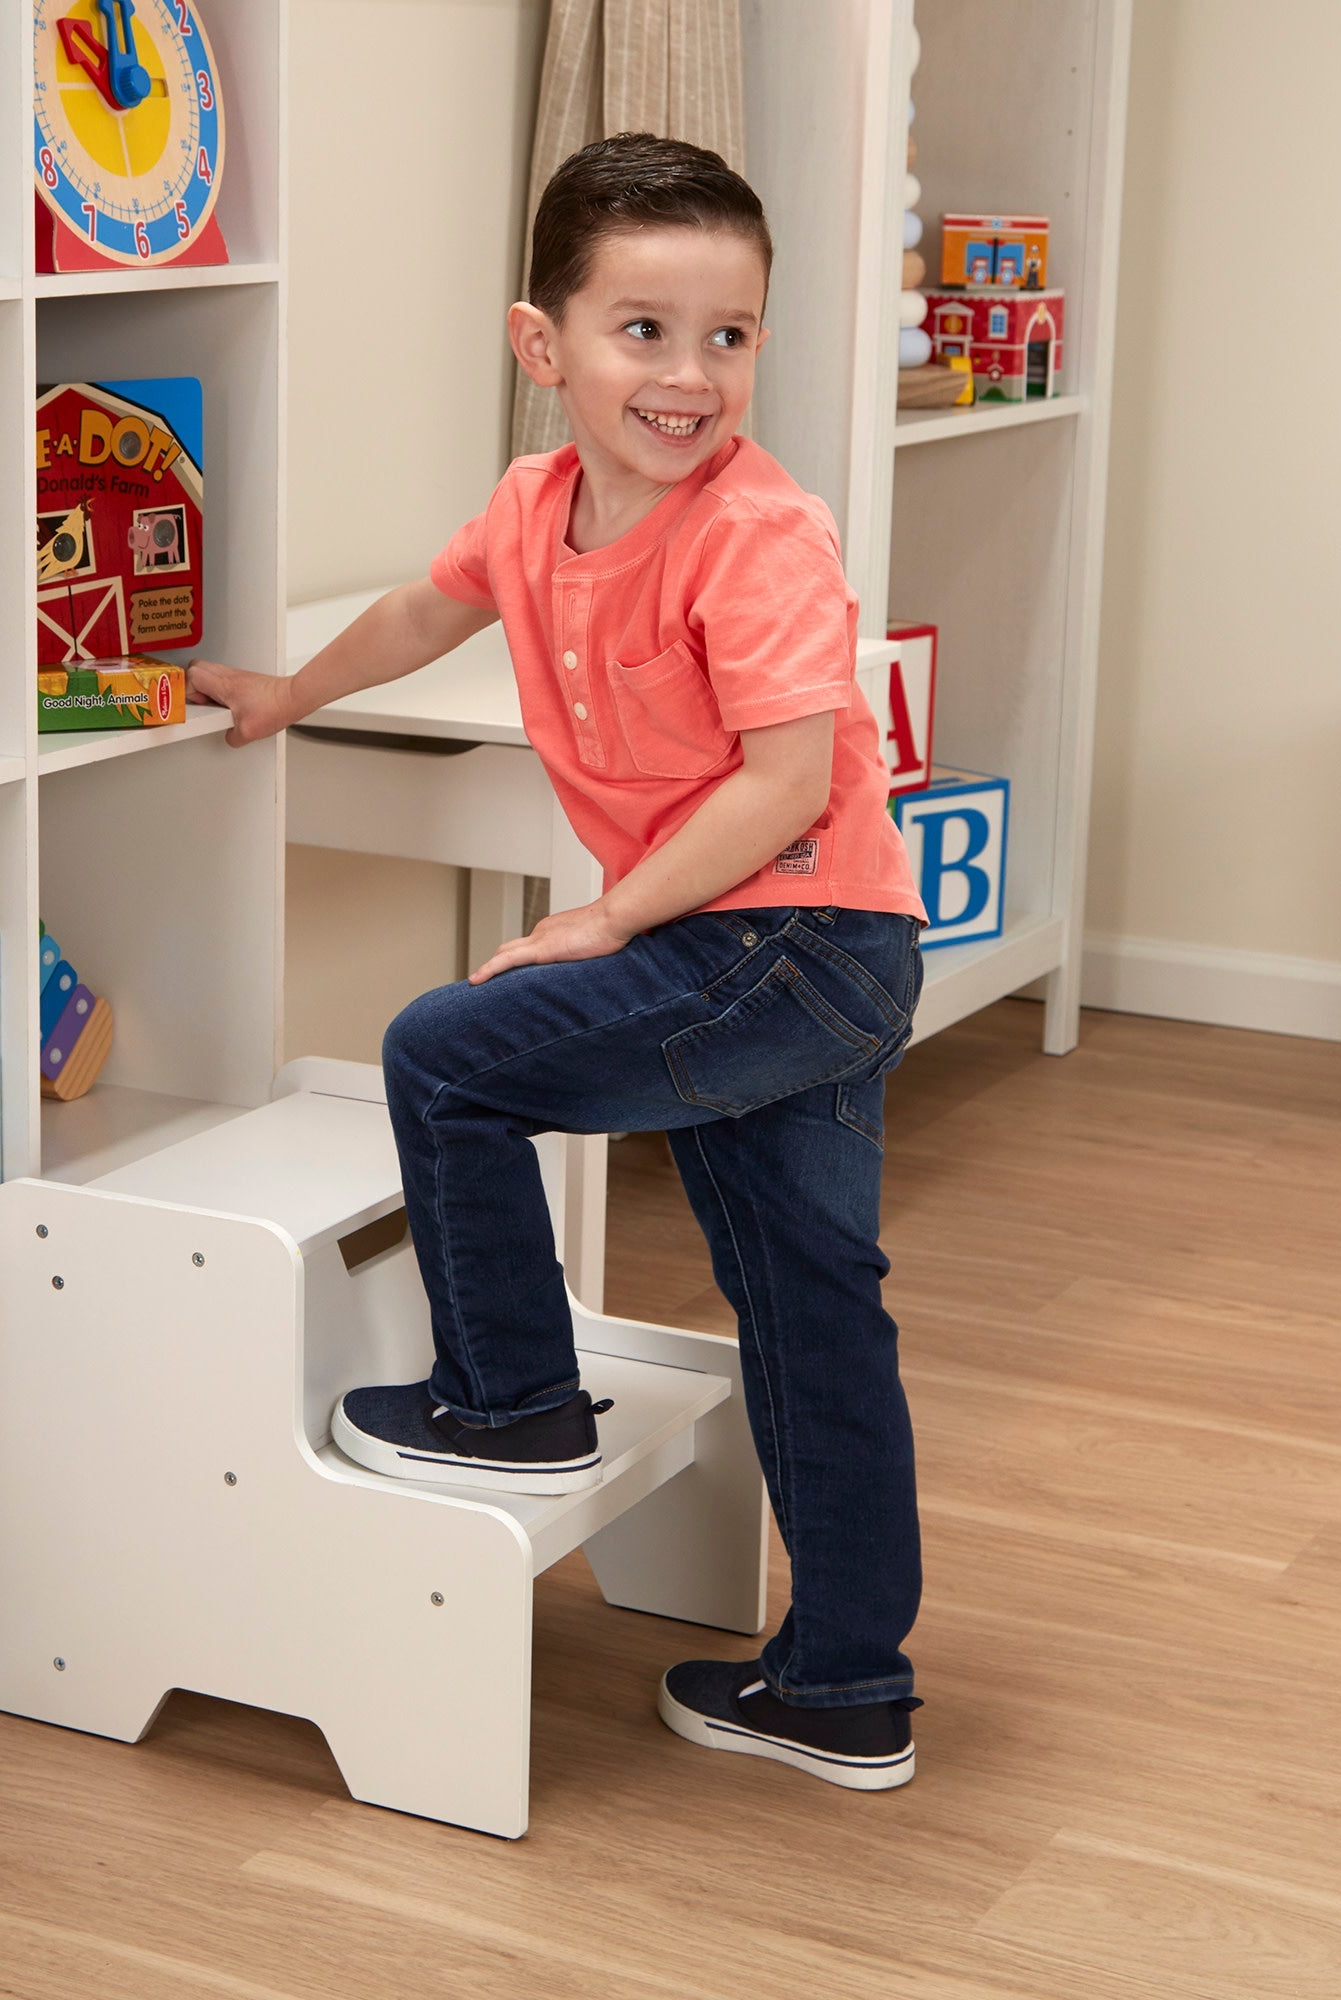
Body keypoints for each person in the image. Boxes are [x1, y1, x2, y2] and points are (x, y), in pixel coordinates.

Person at [188, 134, 927, 1793]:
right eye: (642, 331)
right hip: (796, 952)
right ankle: (845, 1685)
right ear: (546, 347)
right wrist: (286, 696)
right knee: (812, 1305)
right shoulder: (532, 510)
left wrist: (601, 918)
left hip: (795, 940)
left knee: (447, 1052)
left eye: (728, 335)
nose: (689, 375)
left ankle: (510, 1395)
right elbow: (420, 616)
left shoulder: (762, 534)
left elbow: (788, 783)